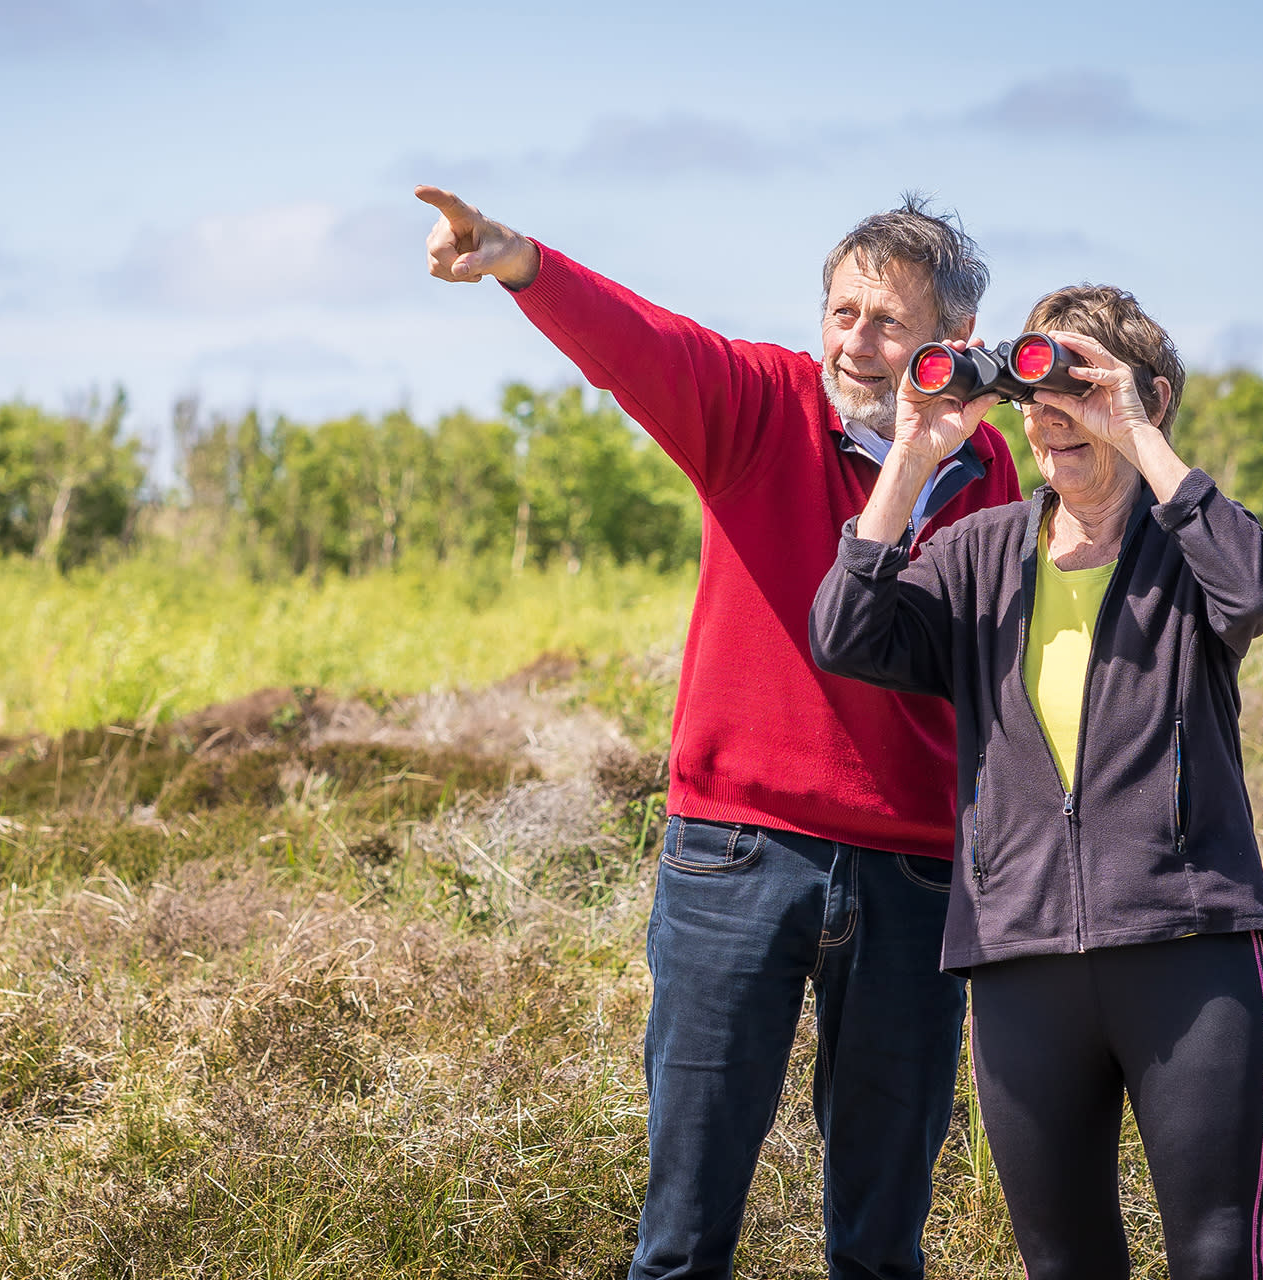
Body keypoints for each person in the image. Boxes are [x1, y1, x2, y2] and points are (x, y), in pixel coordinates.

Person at [416, 184, 1022, 1280]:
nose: (857, 341)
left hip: (918, 872)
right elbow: (643, 345)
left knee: (883, 1244)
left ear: (955, 343)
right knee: (684, 1234)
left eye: (889, 322)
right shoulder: (758, 406)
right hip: (735, 851)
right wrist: (522, 263)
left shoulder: (990, 475)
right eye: (842, 311)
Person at [809, 285, 1263, 1279]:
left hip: (1186, 944)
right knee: (1064, 1265)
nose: (1047, 416)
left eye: (1074, 385)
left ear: (1143, 396)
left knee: (1217, 1256)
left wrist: (1142, 440)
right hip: (1020, 951)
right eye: (1033, 392)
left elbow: (1256, 586)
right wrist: (912, 449)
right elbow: (845, 632)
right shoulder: (980, 552)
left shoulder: (1187, 548)